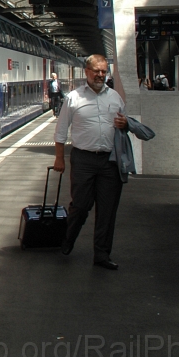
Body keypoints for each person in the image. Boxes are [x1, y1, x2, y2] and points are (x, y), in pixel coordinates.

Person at [54, 54, 128, 270]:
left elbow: (124, 126)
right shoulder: (73, 98)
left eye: (104, 71)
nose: (100, 75)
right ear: (87, 72)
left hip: (110, 160)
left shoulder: (115, 98)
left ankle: (102, 254)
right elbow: (61, 130)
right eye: (96, 71)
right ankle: (68, 240)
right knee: (80, 205)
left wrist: (124, 124)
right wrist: (59, 158)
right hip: (83, 159)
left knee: (107, 210)